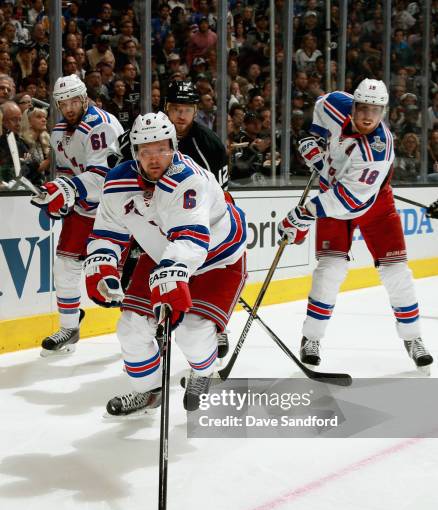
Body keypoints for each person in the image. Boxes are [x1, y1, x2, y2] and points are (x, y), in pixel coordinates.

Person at [85, 111, 247, 415]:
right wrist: (102, 267)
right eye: (145, 151)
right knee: (131, 326)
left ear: (174, 146)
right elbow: (108, 232)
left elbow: (191, 238)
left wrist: (169, 280)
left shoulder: (189, 179)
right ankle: (148, 391)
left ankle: (204, 373)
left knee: (192, 329)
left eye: (161, 148)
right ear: (134, 153)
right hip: (162, 253)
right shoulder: (117, 183)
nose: (155, 158)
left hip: (217, 256)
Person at [278, 78, 433, 373]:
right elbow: (321, 107)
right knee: (330, 271)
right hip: (335, 194)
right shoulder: (337, 103)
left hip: (372, 205)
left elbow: (349, 201)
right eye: (362, 108)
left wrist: (302, 213)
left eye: (375, 111)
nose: (367, 116)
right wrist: (315, 137)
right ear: (354, 105)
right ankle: (311, 338)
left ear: (383, 113)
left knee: (397, 272)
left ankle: (413, 338)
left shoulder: (378, 148)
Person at [112, 81, 230, 356]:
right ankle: (150, 324)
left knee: (206, 270)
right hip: (153, 212)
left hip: (194, 214)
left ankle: (215, 325)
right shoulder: (141, 135)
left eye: (187, 109)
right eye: (175, 108)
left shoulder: (209, 146)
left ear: (196, 111)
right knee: (140, 267)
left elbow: (221, 195)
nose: (181, 115)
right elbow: (122, 174)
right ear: (165, 108)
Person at [29, 74, 124, 355]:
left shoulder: (101, 126)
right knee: (65, 265)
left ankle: (146, 327)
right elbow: (68, 172)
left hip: (114, 210)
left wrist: (66, 189)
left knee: (118, 278)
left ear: (84, 98)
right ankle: (70, 327)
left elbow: (104, 177)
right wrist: (64, 198)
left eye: (73, 101)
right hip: (84, 209)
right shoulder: (59, 130)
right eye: (62, 103)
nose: (68, 108)